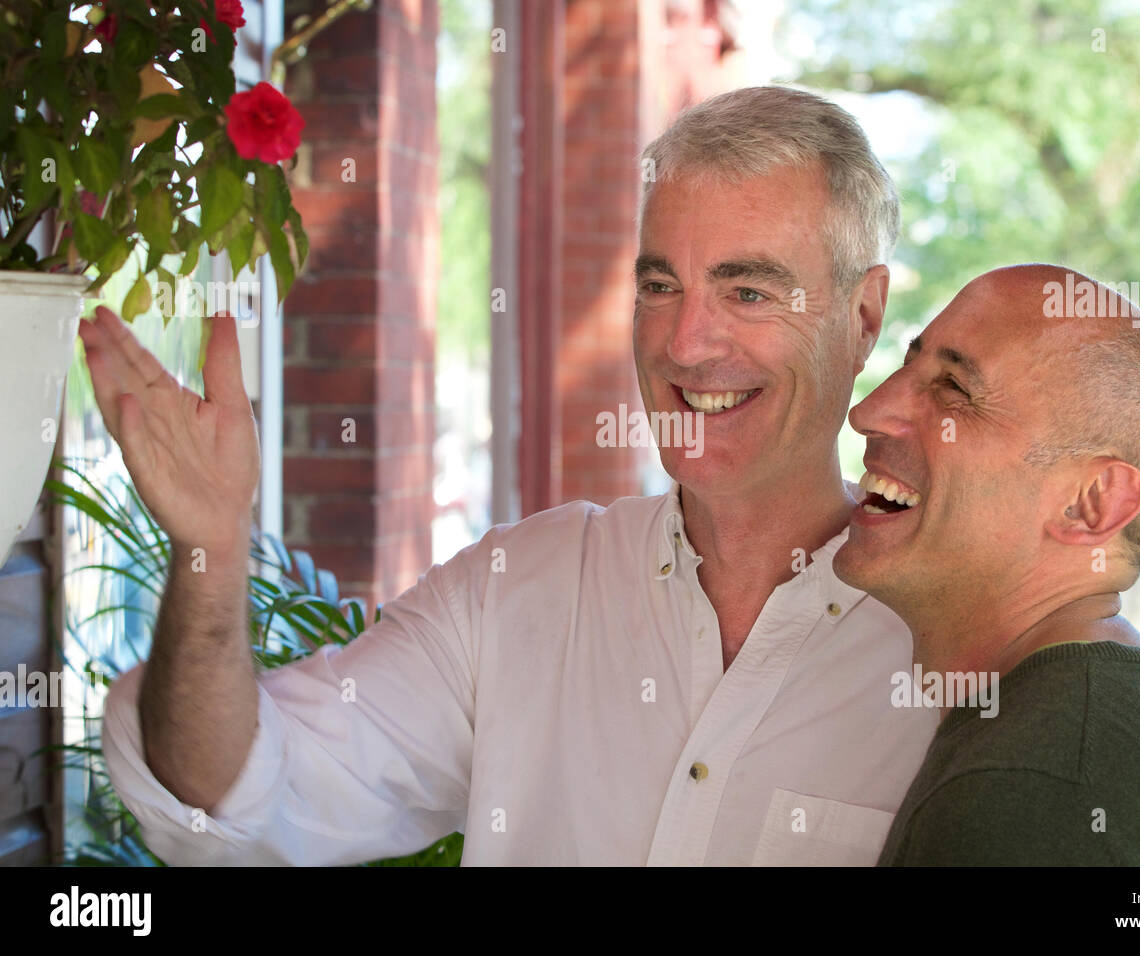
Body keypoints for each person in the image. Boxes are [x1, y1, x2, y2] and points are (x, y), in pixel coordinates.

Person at [86, 86, 940, 866]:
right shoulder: (516, 592)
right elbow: (235, 796)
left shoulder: (948, 641)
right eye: (659, 284)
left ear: (863, 315)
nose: (685, 344)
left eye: (748, 291)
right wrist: (210, 552)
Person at [833, 263, 1140, 865]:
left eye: (954, 390)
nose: (868, 411)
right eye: (907, 365)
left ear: (1094, 504)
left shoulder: (1039, 785)